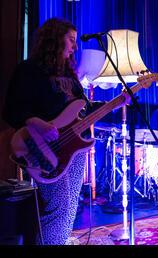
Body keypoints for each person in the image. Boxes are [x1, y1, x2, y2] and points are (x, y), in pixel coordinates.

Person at [2, 17, 130, 245]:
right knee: (57, 205)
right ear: (54, 39)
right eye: (71, 39)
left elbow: (84, 109)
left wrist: (118, 102)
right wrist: (38, 123)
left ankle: (57, 241)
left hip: (74, 148)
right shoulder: (29, 70)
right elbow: (12, 109)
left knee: (70, 206)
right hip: (43, 147)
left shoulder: (70, 75)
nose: (75, 45)